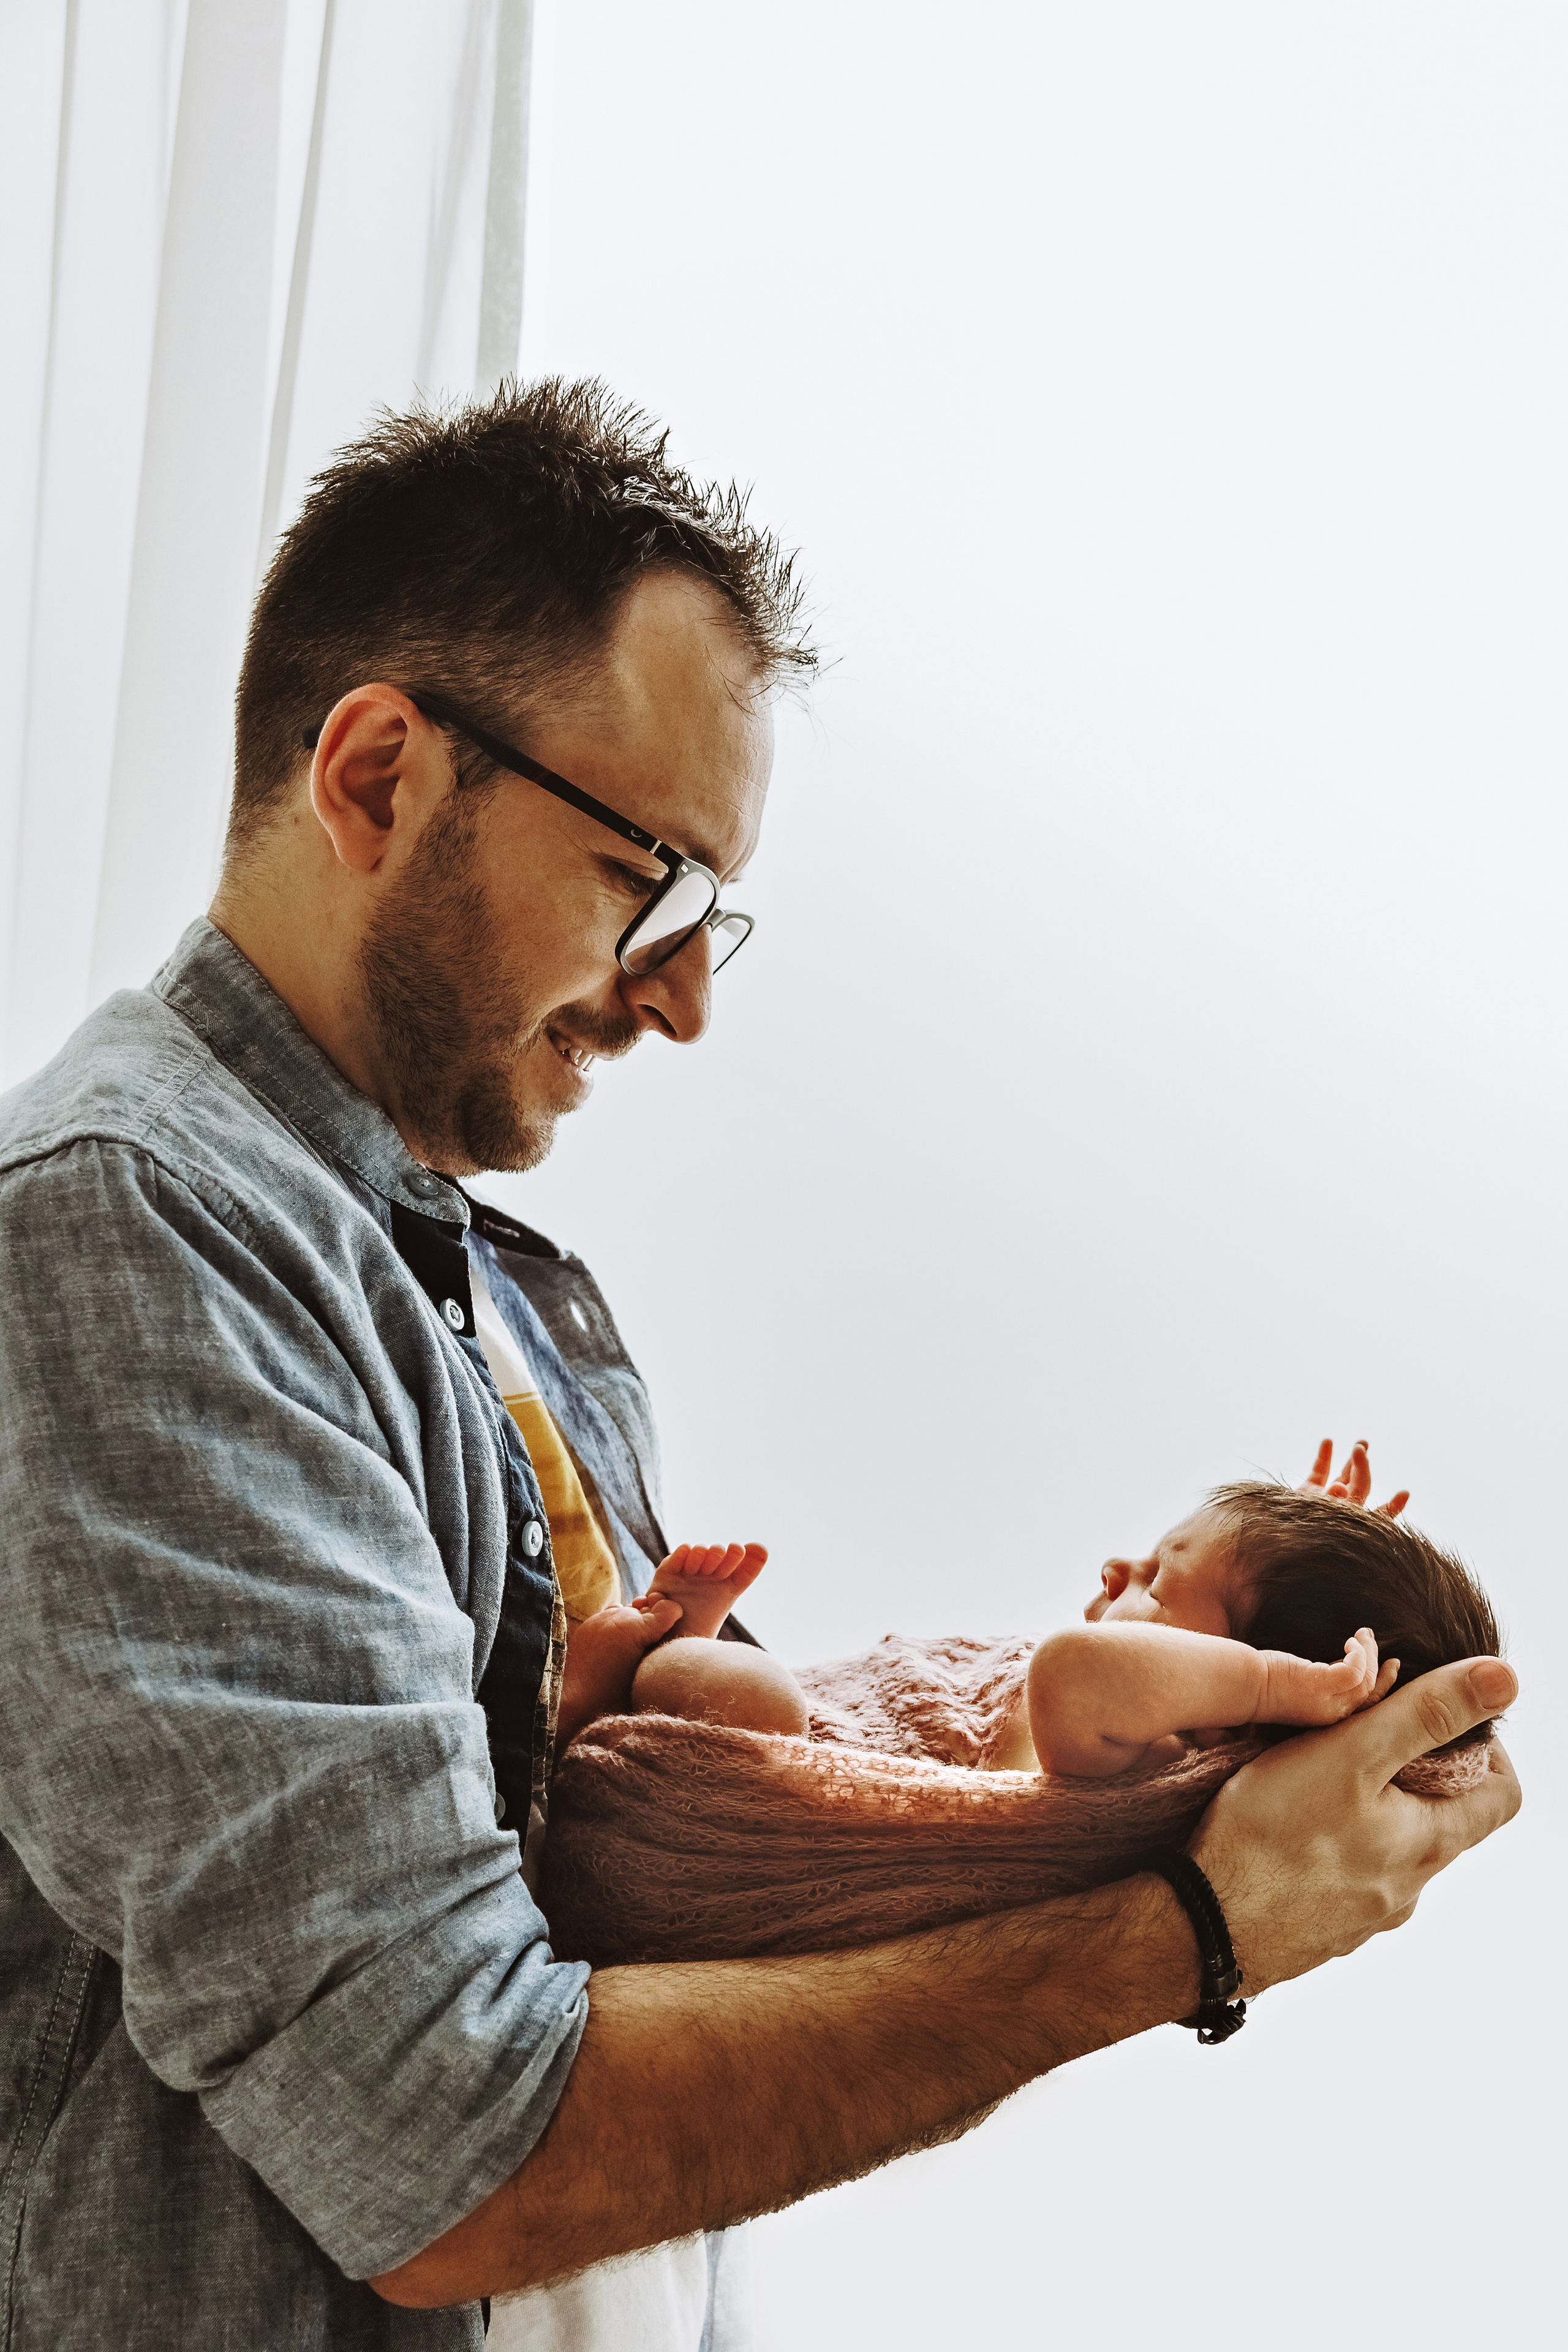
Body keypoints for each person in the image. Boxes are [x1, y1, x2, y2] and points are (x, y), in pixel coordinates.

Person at [0, 383, 1520, 2351]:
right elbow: (441, 2147)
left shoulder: (515, 1296)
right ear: (376, 776)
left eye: (712, 914)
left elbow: (707, 1877)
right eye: (649, 878)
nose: (685, 998)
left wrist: (1227, 1682)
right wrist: (1193, 1930)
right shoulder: (127, 1231)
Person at [570, 1443, 1499, 1780]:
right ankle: (656, 1675)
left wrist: (1281, 1683)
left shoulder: (1147, 1762)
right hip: (795, 1733)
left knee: (740, 1691)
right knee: (737, 1691)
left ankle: (644, 1669)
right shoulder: (1159, 1727)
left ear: (1225, 1716)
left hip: (785, 1766)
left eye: (1157, 1585)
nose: (1118, 1568)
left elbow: (1083, 1671)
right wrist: (1315, 1554)